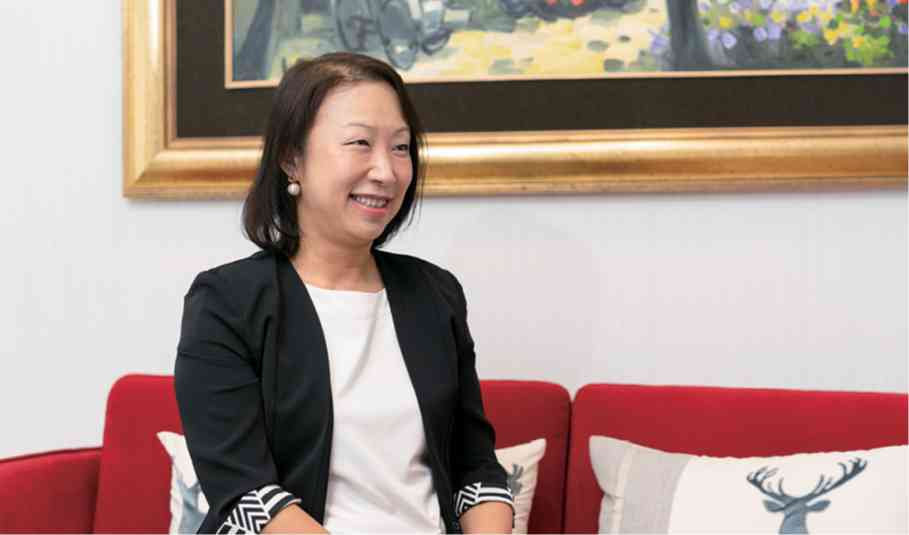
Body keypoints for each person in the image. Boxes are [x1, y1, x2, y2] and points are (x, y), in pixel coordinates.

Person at [174, 52, 515, 534]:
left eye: (400, 147)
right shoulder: (227, 302)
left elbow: (474, 467)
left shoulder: (435, 294)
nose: (386, 171)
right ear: (292, 158)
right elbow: (246, 492)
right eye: (360, 143)